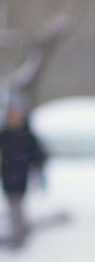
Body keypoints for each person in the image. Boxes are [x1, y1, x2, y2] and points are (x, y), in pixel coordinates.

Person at [0, 90, 47, 249]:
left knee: (17, 206)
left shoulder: (26, 135)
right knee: (13, 205)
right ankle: (20, 230)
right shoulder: (5, 134)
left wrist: (38, 169)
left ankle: (19, 235)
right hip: (7, 177)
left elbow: (38, 155)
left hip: (20, 177)